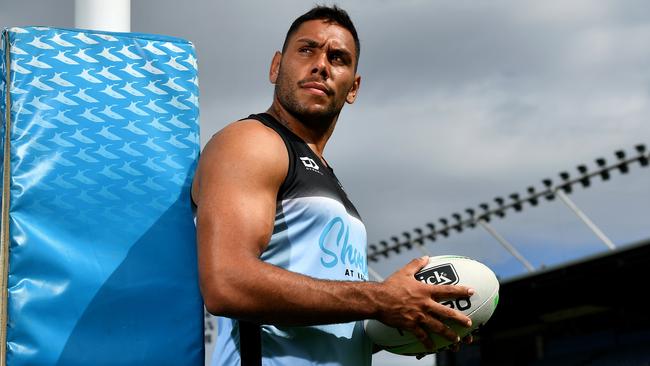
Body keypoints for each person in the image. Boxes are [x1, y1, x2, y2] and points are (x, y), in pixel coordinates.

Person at [192, 5, 474, 366]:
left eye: (338, 57)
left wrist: (414, 320)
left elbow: (329, 327)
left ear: (353, 87)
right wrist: (380, 299)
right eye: (307, 49)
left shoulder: (328, 179)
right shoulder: (251, 141)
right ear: (276, 66)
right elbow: (227, 282)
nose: (321, 64)